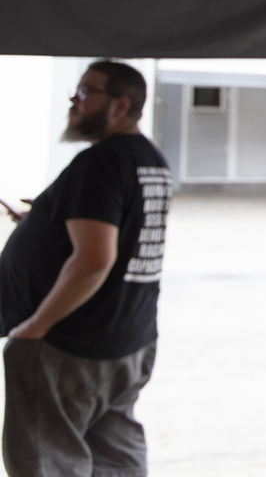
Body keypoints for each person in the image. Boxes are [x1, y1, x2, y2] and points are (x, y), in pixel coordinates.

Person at [0, 60, 172, 477]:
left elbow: (95, 260)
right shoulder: (150, 159)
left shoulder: (99, 163)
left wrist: (37, 326)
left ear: (120, 105)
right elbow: (125, 232)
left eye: (84, 93)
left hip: (72, 344)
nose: (73, 103)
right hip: (126, 338)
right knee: (114, 457)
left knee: (47, 460)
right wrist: (42, 222)